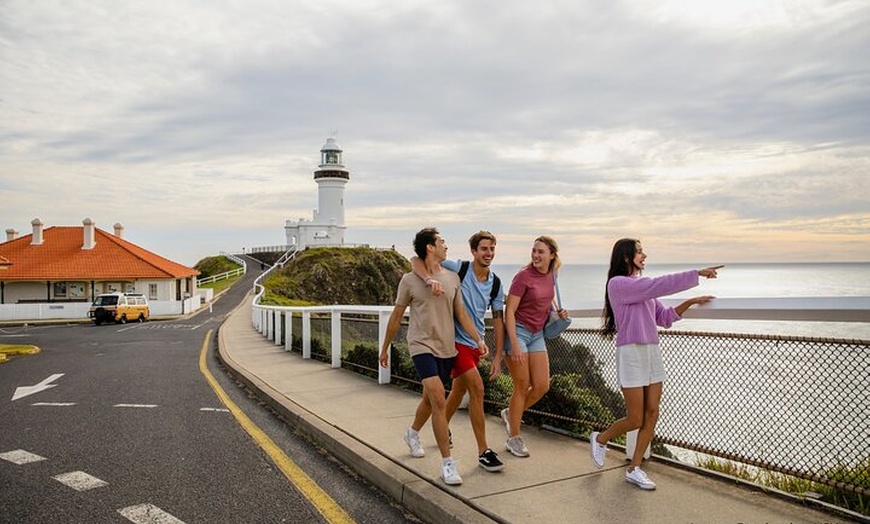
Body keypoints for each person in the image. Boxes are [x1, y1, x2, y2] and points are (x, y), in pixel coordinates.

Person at [590, 238, 722, 490]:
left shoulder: (644, 292)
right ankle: (601, 439)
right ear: (626, 256)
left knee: (652, 413)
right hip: (631, 353)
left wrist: (690, 302)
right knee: (635, 418)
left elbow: (664, 317)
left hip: (651, 352)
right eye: (639, 252)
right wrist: (696, 273)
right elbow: (657, 285)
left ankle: (634, 468)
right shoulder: (618, 284)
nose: (644, 255)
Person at [379, 228, 488, 486]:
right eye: (442, 242)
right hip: (421, 345)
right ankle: (447, 464)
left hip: (446, 348)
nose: (446, 246)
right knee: (439, 398)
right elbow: (396, 316)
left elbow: (461, 314)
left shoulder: (452, 278)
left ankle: (412, 432)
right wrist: (385, 348)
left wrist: (478, 339)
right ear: (430, 247)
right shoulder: (409, 281)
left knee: (429, 400)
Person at [410, 230, 506, 473]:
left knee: (452, 392)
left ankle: (428, 429)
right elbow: (416, 260)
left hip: (475, 344)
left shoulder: (495, 284)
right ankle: (483, 451)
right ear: (473, 251)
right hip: (454, 342)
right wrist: (428, 279)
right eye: (484, 249)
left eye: (492, 249)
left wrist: (497, 355)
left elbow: (498, 320)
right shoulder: (459, 268)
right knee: (477, 388)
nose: (489, 253)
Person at [495, 236, 568, 458]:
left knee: (542, 386)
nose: (536, 255)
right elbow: (509, 311)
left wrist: (558, 312)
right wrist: (515, 343)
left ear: (552, 255)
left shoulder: (552, 275)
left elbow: (546, 301)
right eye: (534, 251)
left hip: (537, 335)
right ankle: (514, 438)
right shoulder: (523, 276)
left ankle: (511, 413)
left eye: (541, 252)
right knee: (522, 386)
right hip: (518, 332)